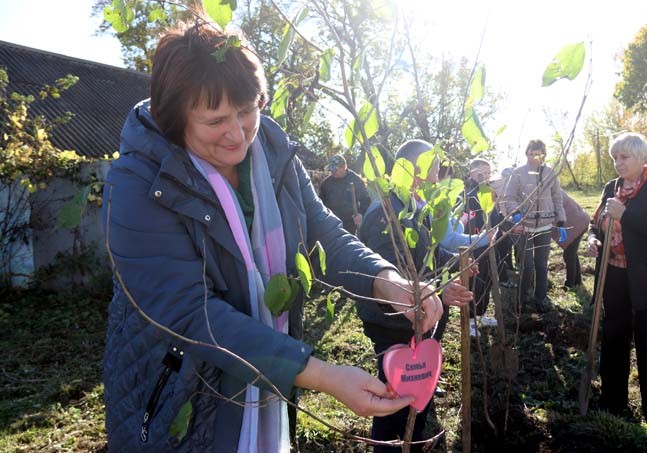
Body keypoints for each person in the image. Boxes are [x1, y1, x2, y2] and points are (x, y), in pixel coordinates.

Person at [101, 22, 472, 452]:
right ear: (176, 118)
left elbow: (324, 233)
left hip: (262, 394)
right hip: (177, 398)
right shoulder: (140, 181)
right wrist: (321, 374)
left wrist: (385, 279)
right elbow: (190, 314)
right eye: (216, 120)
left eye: (246, 111)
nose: (237, 134)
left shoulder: (274, 155)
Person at [358, 139, 474, 452]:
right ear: (410, 169)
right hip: (395, 323)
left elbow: (425, 252)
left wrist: (453, 265)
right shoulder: (385, 214)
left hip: (422, 318)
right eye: (432, 171)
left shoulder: (414, 205)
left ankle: (413, 438)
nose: (437, 179)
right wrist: (439, 286)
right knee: (395, 402)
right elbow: (389, 275)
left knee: (415, 396)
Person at [586, 132, 647, 428]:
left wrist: (624, 214)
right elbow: (596, 222)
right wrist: (593, 239)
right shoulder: (611, 187)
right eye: (615, 157)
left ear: (642, 158)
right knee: (614, 336)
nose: (618, 163)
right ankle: (613, 402)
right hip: (614, 273)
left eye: (624, 157)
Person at [501, 139, 566, 312]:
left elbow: (557, 198)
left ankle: (540, 299)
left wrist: (560, 222)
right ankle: (521, 300)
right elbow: (509, 197)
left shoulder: (550, 173)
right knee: (527, 265)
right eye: (530, 153)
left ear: (544, 155)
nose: (534, 157)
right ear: (526, 154)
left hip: (544, 226)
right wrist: (516, 215)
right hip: (524, 228)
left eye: (537, 154)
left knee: (542, 265)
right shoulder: (518, 173)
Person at [450, 158, 498, 336]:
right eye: (481, 174)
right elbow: (461, 223)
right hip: (473, 245)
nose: (485, 177)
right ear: (472, 173)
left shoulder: (488, 192)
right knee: (474, 283)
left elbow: (494, 215)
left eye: (488, 173)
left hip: (488, 243)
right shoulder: (465, 195)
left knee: (487, 280)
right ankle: (469, 320)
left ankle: (481, 314)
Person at [318, 154, 371, 234]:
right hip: (331, 224)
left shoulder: (356, 180)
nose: (333, 172)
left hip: (350, 225)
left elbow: (366, 200)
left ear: (344, 167)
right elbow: (320, 202)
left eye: (335, 170)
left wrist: (361, 213)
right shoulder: (326, 184)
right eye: (331, 170)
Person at [552, 190, 589, 288]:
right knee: (571, 252)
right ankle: (577, 281)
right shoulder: (552, 187)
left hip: (576, 223)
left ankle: (570, 284)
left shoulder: (550, 192)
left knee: (569, 254)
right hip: (578, 220)